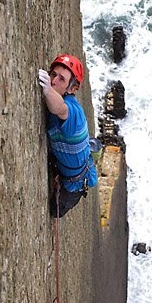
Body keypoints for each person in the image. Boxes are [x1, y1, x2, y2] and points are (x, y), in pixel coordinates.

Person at [38, 54, 98, 218]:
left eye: (61, 79)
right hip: (68, 166)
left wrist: (48, 91)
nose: (53, 81)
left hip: (75, 183)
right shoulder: (62, 98)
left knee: (55, 210)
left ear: (72, 89)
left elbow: (60, 108)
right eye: (53, 75)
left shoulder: (74, 114)